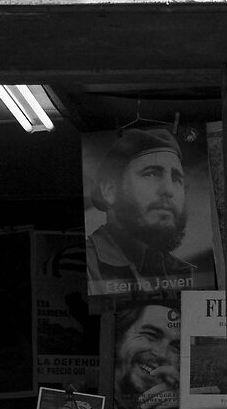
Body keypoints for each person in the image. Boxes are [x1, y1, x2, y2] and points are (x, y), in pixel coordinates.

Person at [83, 124, 209, 294]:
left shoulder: (186, 273)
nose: (169, 190)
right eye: (151, 174)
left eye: (176, 178)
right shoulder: (87, 266)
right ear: (110, 191)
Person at [112, 298, 181, 409]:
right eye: (150, 335)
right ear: (119, 338)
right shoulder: (89, 397)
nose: (162, 354)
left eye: (176, 347)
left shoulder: (175, 407)